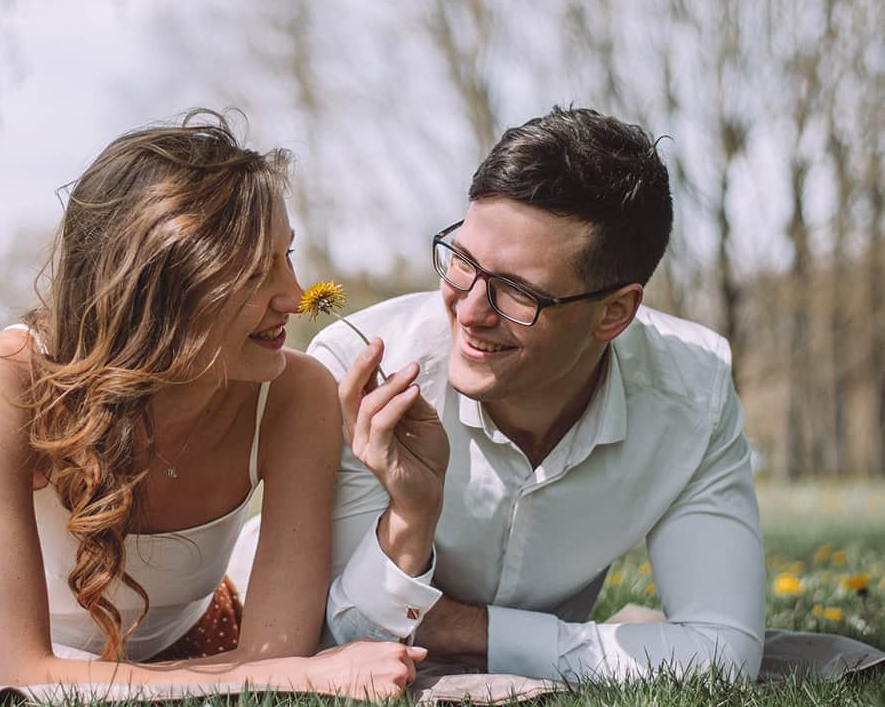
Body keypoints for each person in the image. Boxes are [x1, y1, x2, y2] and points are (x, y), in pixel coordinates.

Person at [0, 112, 423, 695]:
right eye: (255, 272)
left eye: (288, 256)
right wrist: (7, 669)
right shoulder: (2, 375)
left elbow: (277, 657)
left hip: (185, 634)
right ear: (161, 285)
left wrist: (265, 668)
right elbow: (15, 672)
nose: (296, 297)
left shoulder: (297, 393)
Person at [312, 106, 765, 682]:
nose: (470, 311)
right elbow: (334, 642)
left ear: (615, 312)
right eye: (462, 263)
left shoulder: (694, 393)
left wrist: (463, 628)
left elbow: (725, 657)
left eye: (517, 292)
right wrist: (411, 517)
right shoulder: (360, 368)